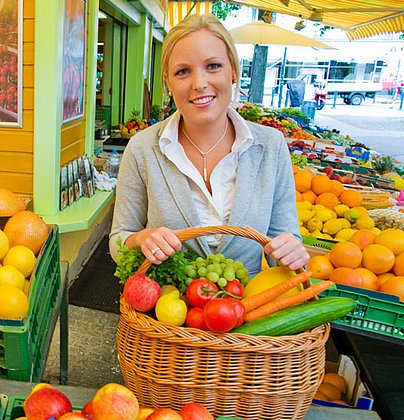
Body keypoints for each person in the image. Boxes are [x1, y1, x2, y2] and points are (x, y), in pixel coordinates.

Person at [109, 14, 309, 276]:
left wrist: (291, 253)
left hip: (250, 309)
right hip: (165, 311)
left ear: (233, 72)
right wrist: (140, 240)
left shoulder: (271, 147)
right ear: (168, 83)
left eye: (213, 66)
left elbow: (285, 241)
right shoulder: (143, 148)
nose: (199, 84)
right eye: (183, 72)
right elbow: (118, 239)